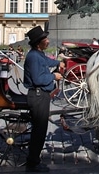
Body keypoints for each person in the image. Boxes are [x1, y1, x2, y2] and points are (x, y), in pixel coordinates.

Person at [23, 25, 64, 172]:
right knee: (39, 131)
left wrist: (58, 62)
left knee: (41, 129)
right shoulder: (33, 56)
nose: (47, 41)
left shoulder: (38, 54)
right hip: (38, 96)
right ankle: (33, 162)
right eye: (45, 39)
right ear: (38, 42)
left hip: (41, 95)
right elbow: (38, 78)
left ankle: (34, 158)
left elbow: (47, 61)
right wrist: (54, 76)